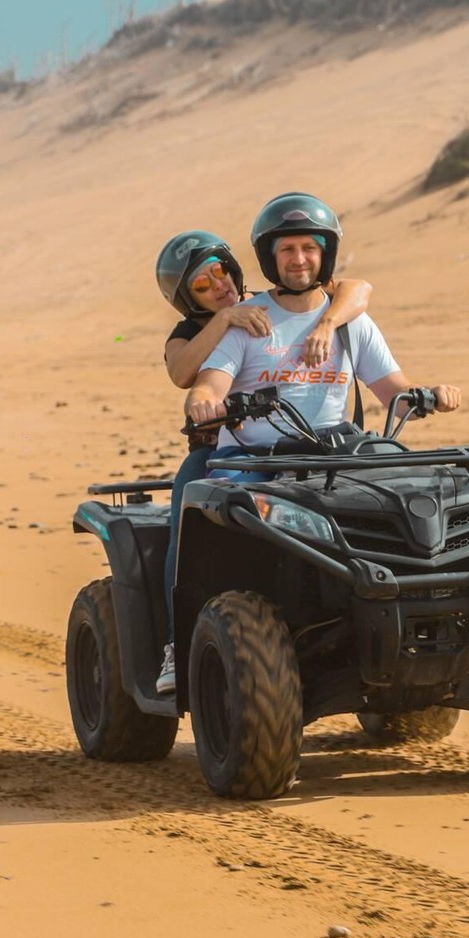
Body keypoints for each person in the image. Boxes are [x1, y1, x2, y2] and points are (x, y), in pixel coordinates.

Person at [154, 227, 373, 694]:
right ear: (186, 300)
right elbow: (181, 373)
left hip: (309, 444)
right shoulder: (189, 332)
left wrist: (327, 322)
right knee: (184, 521)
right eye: (202, 284)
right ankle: (176, 643)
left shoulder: (277, 298)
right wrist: (227, 318)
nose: (219, 285)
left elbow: (357, 290)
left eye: (221, 272)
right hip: (220, 453)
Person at [185, 192, 461, 472]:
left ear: (325, 254)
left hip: (332, 455)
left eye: (309, 247)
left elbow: (398, 399)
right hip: (253, 459)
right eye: (287, 249)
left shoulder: (353, 322)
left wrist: (432, 395)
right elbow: (208, 386)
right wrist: (203, 402)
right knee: (233, 497)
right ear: (271, 257)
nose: (299, 258)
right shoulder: (249, 319)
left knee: (404, 485)